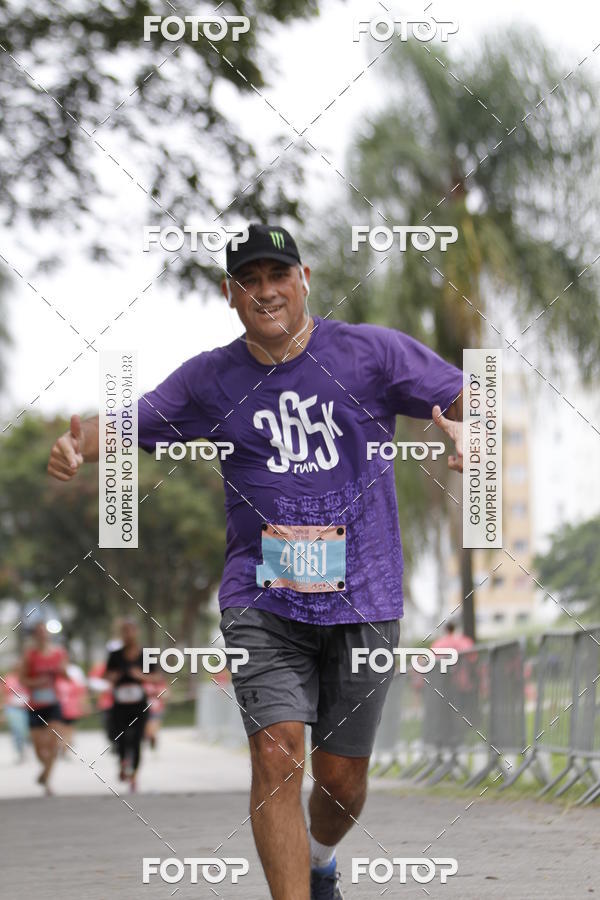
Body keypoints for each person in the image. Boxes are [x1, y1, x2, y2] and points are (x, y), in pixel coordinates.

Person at [47, 223, 464, 899]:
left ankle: (322, 857)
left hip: (365, 596)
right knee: (276, 756)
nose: (266, 291)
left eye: (278, 275)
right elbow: (129, 421)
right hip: (262, 598)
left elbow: (469, 396)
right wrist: (78, 446)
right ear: (230, 293)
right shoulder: (212, 378)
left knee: (340, 780)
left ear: (305, 281)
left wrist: (468, 424)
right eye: (250, 280)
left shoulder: (370, 353)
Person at [104, 618, 160, 791]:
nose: (128, 634)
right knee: (119, 737)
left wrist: (140, 676)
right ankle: (122, 763)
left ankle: (134, 774)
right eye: (124, 631)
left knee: (136, 739)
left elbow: (157, 677)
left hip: (139, 703)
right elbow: (106, 676)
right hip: (120, 703)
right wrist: (113, 677)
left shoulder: (145, 655)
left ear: (137, 632)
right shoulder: (115, 655)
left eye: (131, 630)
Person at [19, 621, 70, 794]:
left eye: (45, 632)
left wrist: (62, 671)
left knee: (53, 744)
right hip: (35, 705)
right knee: (39, 748)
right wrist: (36, 683)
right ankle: (45, 769)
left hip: (53, 704)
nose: (42, 635)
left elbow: (67, 676)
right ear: (34, 635)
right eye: (39, 632)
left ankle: (47, 777)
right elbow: (22, 679)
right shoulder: (30, 655)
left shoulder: (59, 653)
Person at [55, 663, 90, 755]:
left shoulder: (73, 683)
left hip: (71, 709)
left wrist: (84, 706)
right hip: (59, 708)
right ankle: (63, 745)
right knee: (60, 728)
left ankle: (64, 747)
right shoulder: (56, 681)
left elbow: (81, 694)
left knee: (69, 728)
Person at [2, 670, 29, 762]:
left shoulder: (28, 677)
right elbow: (3, 694)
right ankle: (20, 752)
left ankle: (26, 749)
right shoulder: (9, 679)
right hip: (12, 708)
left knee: (27, 731)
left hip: (27, 708)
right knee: (17, 730)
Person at [144, 675, 169, 750]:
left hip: (157, 709)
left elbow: (166, 695)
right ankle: (149, 737)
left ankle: (152, 738)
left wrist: (157, 693)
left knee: (153, 728)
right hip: (145, 710)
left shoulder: (161, 684)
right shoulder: (144, 683)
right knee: (147, 729)